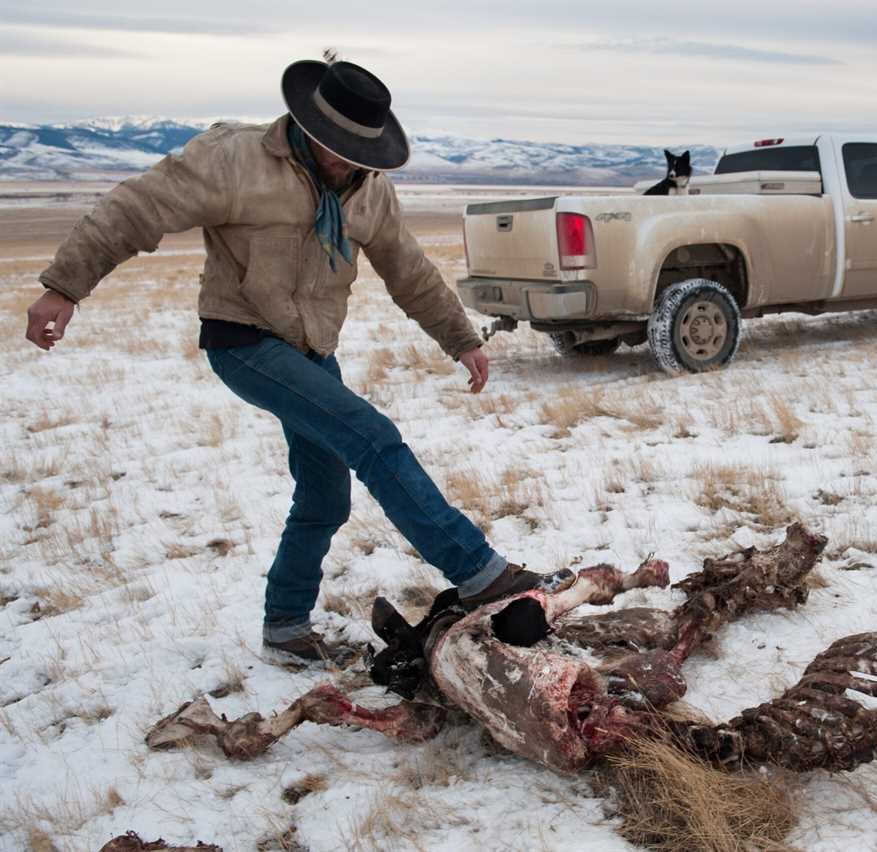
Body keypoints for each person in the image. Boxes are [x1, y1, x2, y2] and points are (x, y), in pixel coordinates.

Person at [24, 57, 549, 662]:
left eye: (361, 151)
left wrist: (460, 337)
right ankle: (479, 571)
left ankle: (285, 628)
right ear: (307, 125)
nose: (349, 162)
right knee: (373, 437)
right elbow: (135, 209)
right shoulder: (233, 160)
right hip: (243, 340)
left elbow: (409, 271)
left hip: (311, 352)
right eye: (339, 147)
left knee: (327, 499)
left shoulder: (369, 190)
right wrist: (64, 287)